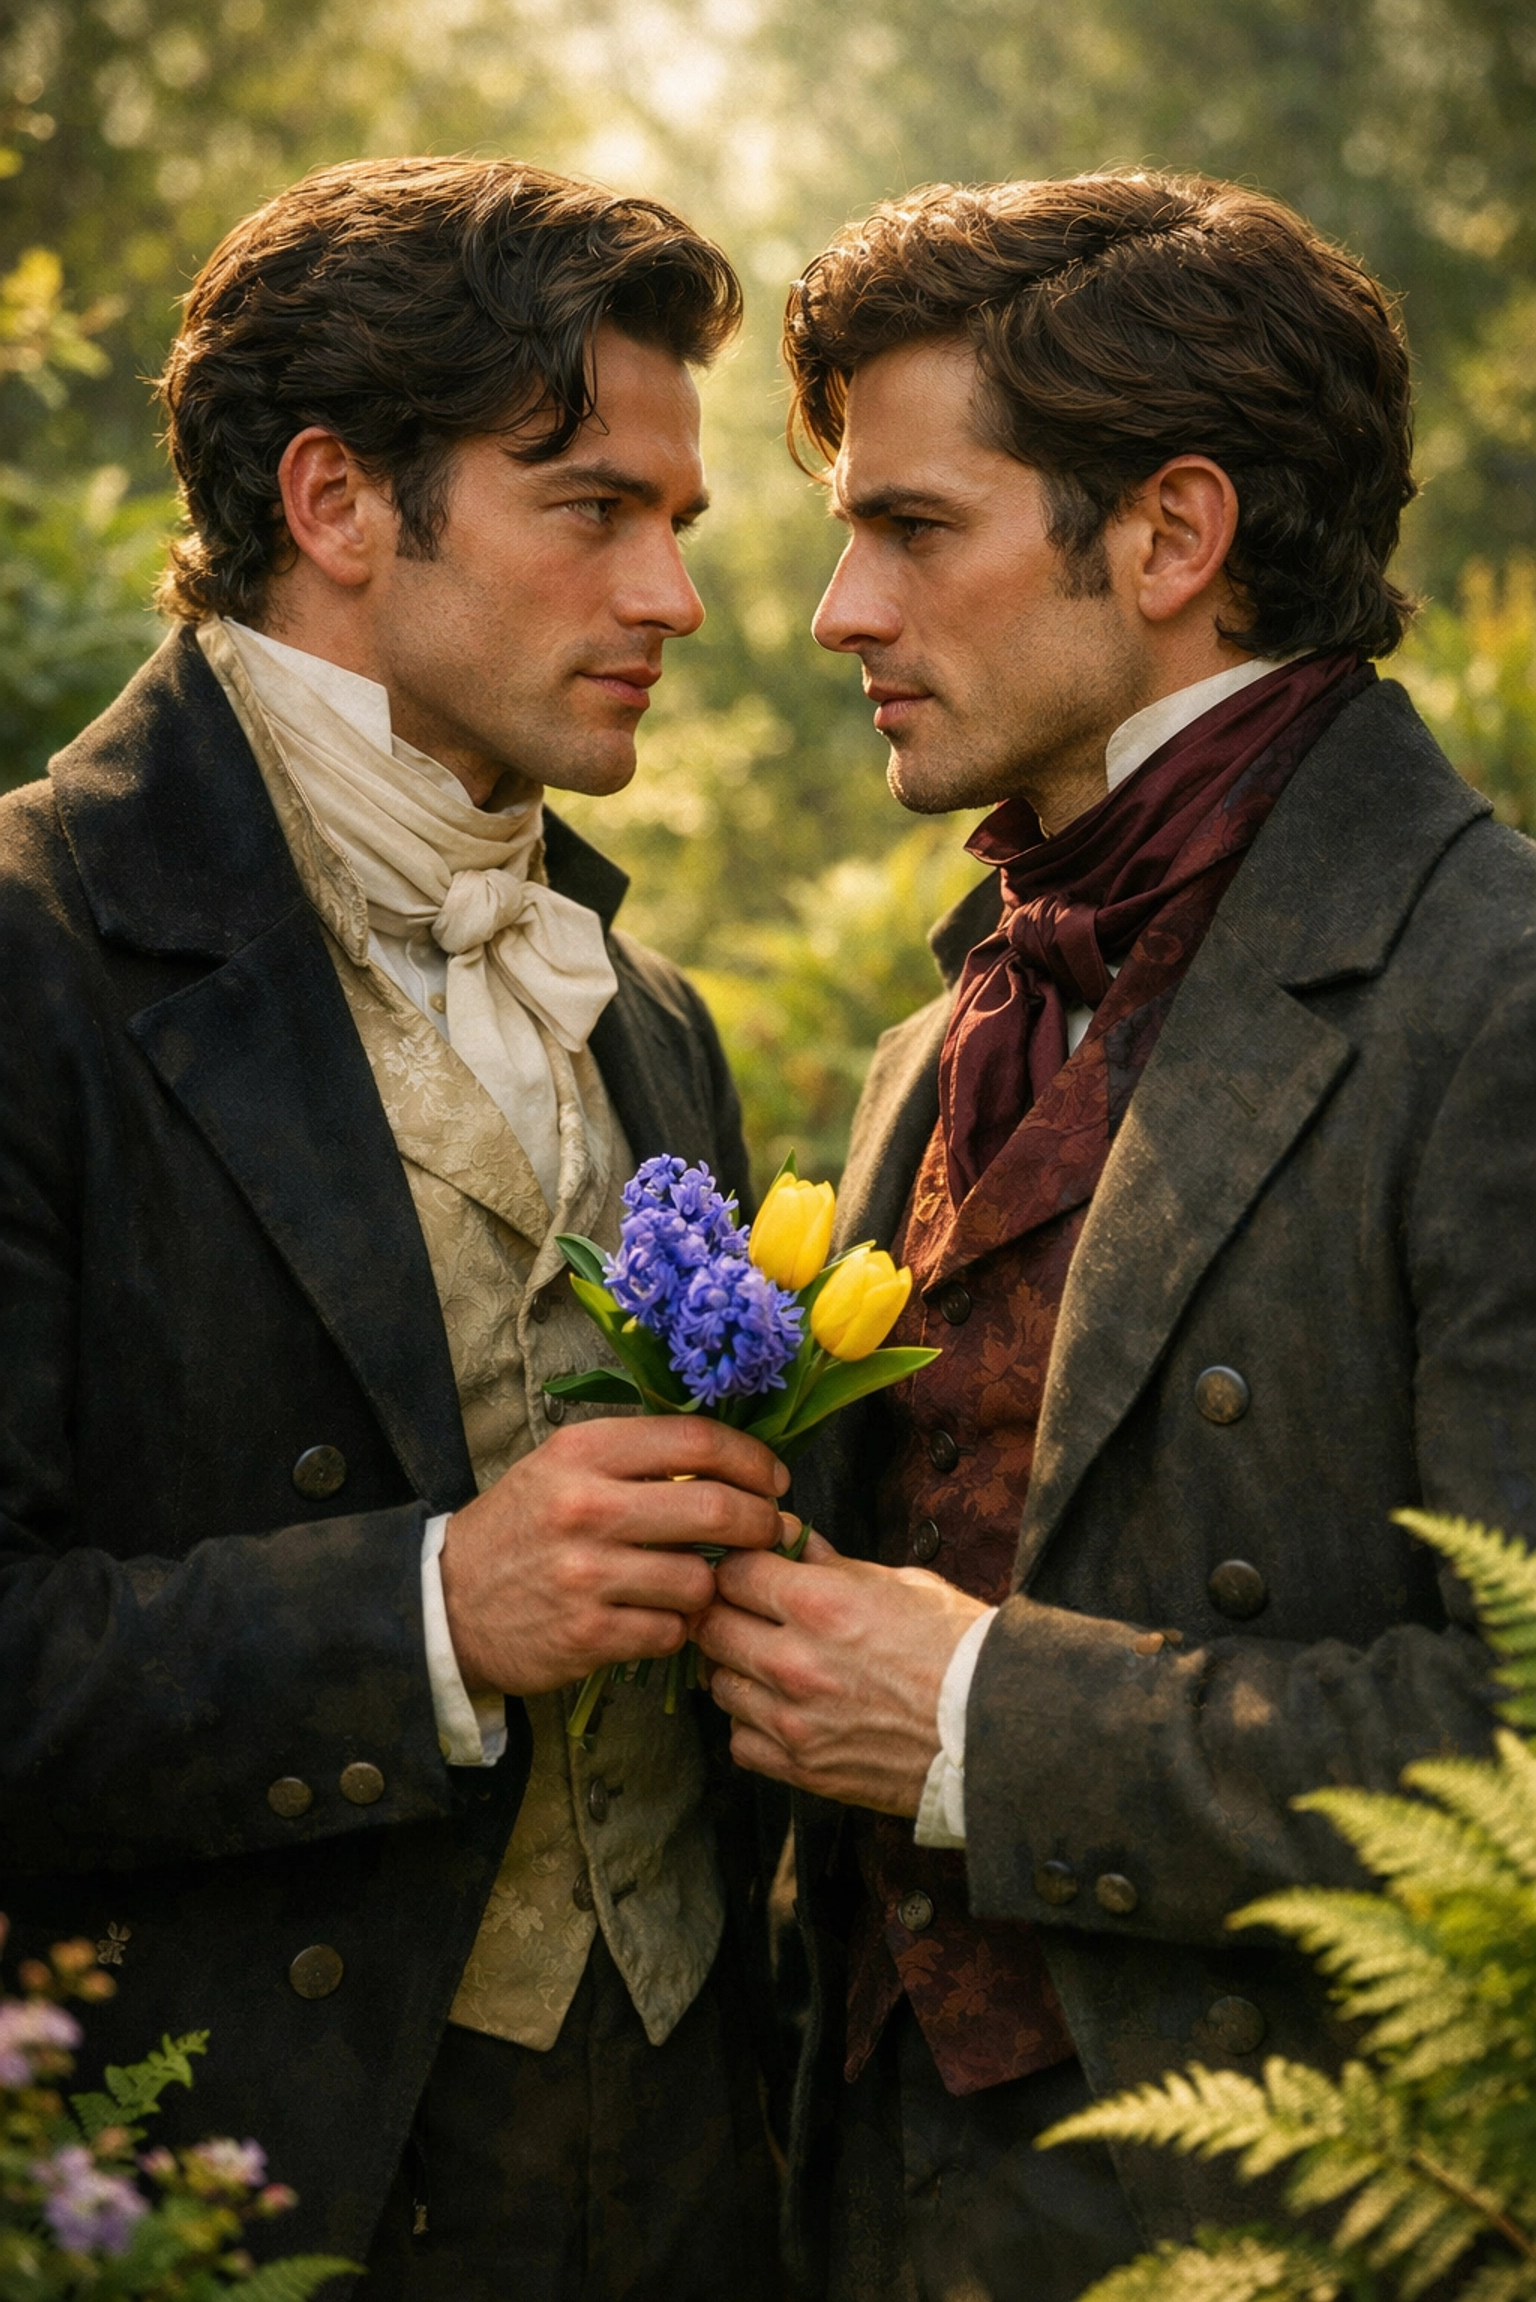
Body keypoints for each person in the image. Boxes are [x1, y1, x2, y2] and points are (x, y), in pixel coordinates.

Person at [696, 170, 1536, 2302]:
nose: (834, 618)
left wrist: (986, 1721)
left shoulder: (1500, 995)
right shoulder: (937, 1042)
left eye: (911, 529)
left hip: (1302, 2223)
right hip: (868, 2204)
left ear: (1172, 536)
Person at [0, 157, 795, 2300]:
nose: (675, 601)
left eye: (679, 527)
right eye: (592, 509)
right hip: (262, 2181)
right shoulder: (29, 948)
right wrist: (431, 1609)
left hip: (705, 2166)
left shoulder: (645, 1013)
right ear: (339, 503)